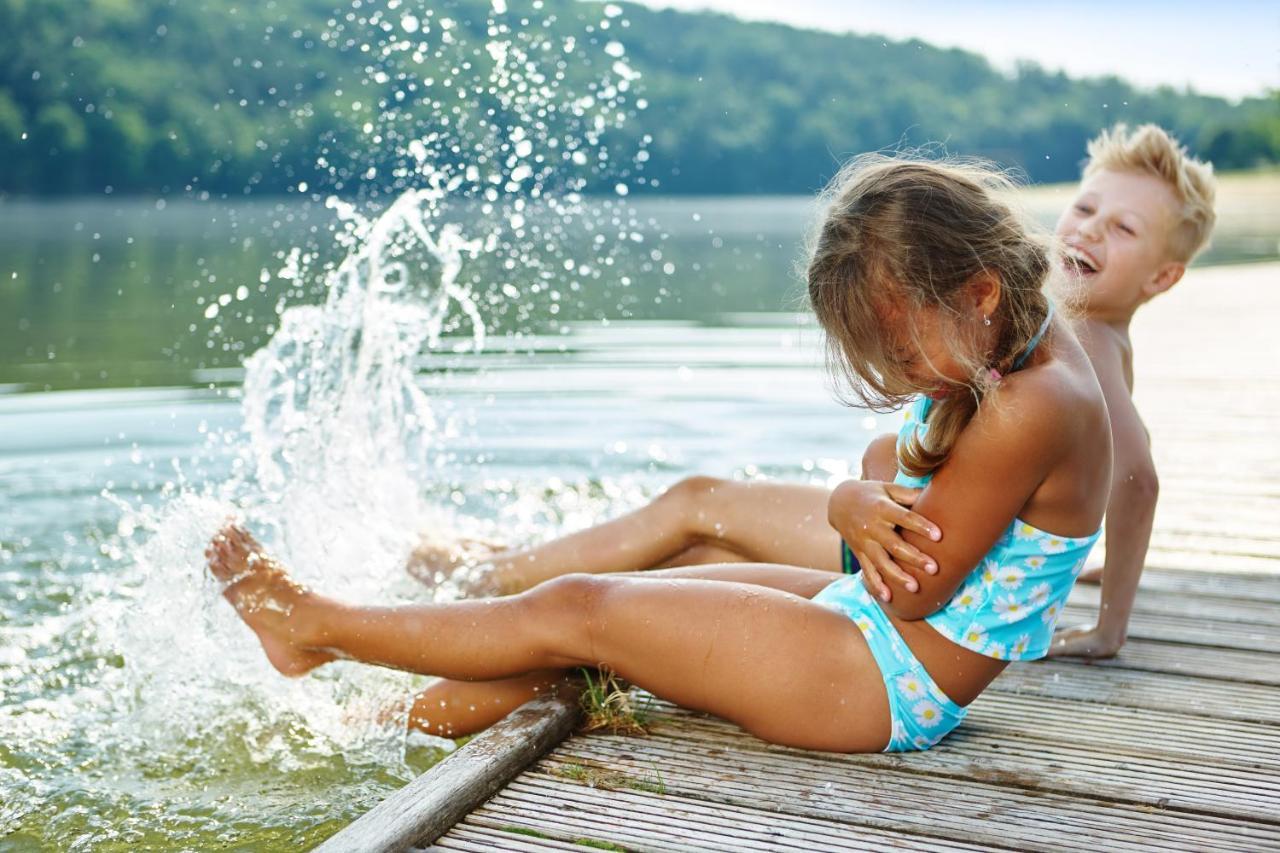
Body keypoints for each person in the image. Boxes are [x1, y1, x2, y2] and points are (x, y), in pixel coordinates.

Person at [206, 154, 1112, 754]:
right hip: (875, 641)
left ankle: (317, 628)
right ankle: (366, 727)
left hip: (882, 681)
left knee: (584, 607)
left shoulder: (1032, 406)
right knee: (654, 588)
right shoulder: (1022, 349)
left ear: (978, 291)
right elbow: (911, 486)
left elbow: (913, 584)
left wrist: (847, 502)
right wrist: (871, 486)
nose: (900, 378)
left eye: (904, 358)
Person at [1044, 124, 1216, 658]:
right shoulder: (1098, 331)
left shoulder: (1087, 338)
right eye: (1084, 208)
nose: (1089, 230)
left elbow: (1136, 479)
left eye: (1124, 228)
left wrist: (1106, 631)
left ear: (1162, 278)